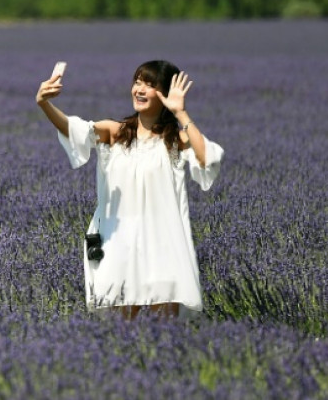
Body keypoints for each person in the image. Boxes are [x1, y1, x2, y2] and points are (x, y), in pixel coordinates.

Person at [36, 60, 223, 319]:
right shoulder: (115, 132)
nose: (139, 89)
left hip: (162, 244)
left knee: (164, 321)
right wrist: (44, 103)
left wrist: (181, 113)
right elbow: (73, 128)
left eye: (150, 84)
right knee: (123, 322)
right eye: (137, 82)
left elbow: (207, 159)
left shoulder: (175, 140)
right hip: (118, 244)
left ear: (166, 94)